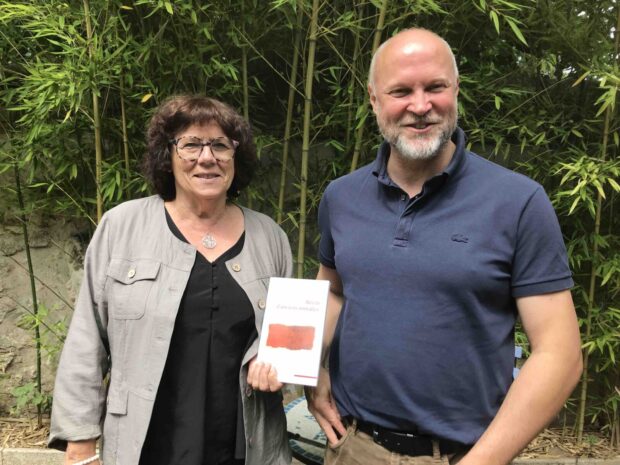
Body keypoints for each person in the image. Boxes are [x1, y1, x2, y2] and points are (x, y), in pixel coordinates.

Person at [306, 28, 583, 465]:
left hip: (463, 454)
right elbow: (333, 289)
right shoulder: (341, 197)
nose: (420, 106)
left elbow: (560, 354)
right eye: (400, 91)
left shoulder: (518, 202)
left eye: (435, 87)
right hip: (352, 447)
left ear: (456, 89)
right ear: (374, 99)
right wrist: (312, 368)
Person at [49, 95, 292, 465]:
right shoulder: (122, 226)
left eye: (220, 145)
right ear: (168, 155)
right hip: (145, 446)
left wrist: (276, 359)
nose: (206, 157)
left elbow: (290, 334)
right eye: (191, 144)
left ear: (235, 157)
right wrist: (80, 444)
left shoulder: (269, 237)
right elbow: (87, 339)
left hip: (243, 447)